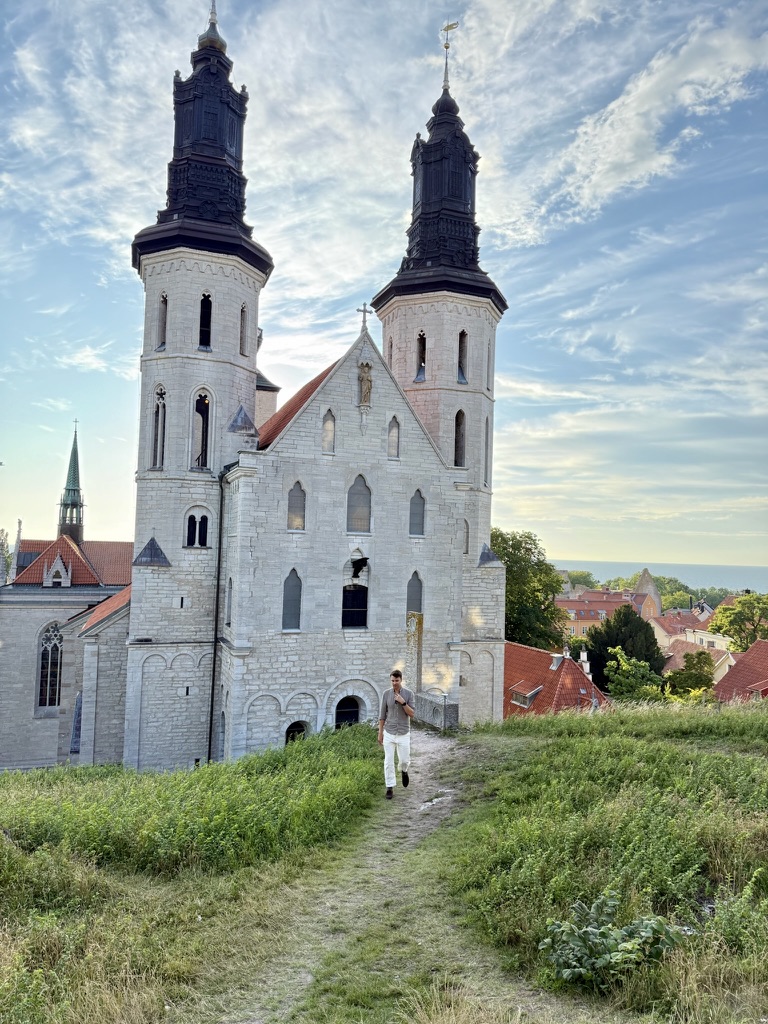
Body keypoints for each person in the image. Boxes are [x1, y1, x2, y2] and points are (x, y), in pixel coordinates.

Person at [378, 669, 415, 799]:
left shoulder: (409, 694)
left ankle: (404, 771)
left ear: (401, 680)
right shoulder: (386, 694)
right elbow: (382, 715)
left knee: (404, 760)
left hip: (404, 732)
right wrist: (380, 733)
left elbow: (412, 714)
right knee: (388, 761)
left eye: (396, 681)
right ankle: (389, 787)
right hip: (389, 732)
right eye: (392, 681)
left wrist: (402, 702)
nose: (394, 683)